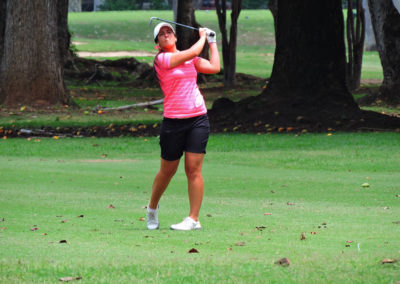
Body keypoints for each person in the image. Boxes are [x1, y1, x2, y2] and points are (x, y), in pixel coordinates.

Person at [146, 22, 220, 231]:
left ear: (176, 37)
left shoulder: (191, 59)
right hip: (173, 121)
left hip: (197, 118)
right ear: (157, 44)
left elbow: (214, 67)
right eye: (161, 34)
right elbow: (193, 51)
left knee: (193, 170)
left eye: (169, 31)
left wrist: (212, 42)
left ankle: (193, 219)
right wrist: (202, 37)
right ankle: (152, 208)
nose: (166, 34)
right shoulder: (162, 59)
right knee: (167, 171)